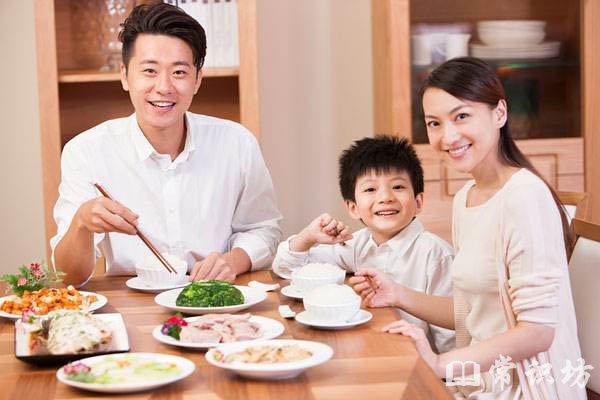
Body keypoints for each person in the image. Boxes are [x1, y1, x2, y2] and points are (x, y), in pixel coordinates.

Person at [351, 57, 585, 399]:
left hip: (529, 388)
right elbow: (469, 311)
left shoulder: (525, 196)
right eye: (434, 123)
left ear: (499, 113)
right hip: (481, 383)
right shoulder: (466, 199)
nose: (448, 136)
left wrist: (442, 364)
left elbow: (538, 332)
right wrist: (397, 294)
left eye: (461, 116)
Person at [50, 3, 282, 287]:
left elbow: (264, 229)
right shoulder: (86, 151)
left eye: (179, 72)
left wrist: (233, 260)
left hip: (216, 299)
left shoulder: (237, 143)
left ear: (198, 79)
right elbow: (68, 277)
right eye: (149, 70)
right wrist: (82, 223)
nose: (164, 86)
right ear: (125, 76)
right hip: (133, 306)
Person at [273, 135, 455, 353]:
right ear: (353, 208)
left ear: (418, 202)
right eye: (370, 190)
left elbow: (452, 334)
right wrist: (308, 237)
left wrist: (449, 382)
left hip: (422, 365)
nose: (386, 197)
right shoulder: (357, 244)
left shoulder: (436, 255)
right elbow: (287, 270)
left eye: (397, 186)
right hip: (373, 348)